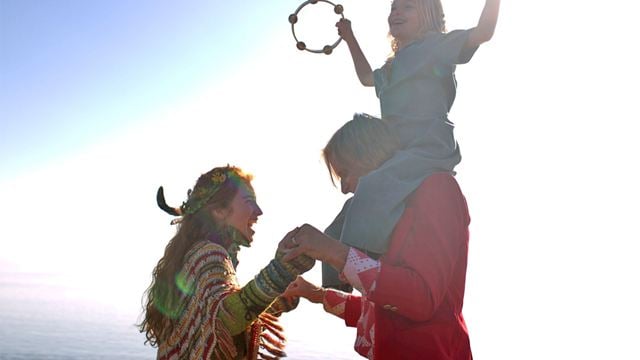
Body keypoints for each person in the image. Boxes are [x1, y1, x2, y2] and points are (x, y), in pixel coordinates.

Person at [322, 0, 499, 278]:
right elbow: (367, 77)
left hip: (426, 148)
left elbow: (484, 31)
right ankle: (327, 283)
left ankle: (364, 268)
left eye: (407, 7)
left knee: (372, 188)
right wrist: (350, 38)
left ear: (428, 15)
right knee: (346, 215)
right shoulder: (393, 67)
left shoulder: (435, 47)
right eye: (393, 7)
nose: (396, 12)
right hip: (397, 153)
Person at [281, 115, 473, 359]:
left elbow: (420, 298)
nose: (344, 188)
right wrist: (315, 294)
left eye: (345, 173)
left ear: (368, 155)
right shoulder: (390, 214)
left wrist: (335, 252)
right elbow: (384, 307)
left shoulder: (436, 189)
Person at [139, 165, 314, 360]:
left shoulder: (195, 255)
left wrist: (281, 298)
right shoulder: (208, 254)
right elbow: (225, 320)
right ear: (220, 211)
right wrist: (281, 270)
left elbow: (209, 322)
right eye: (249, 202)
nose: (259, 211)